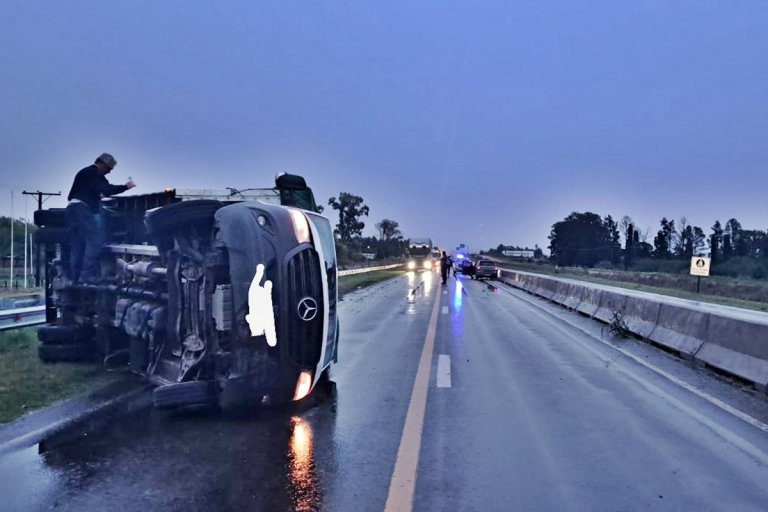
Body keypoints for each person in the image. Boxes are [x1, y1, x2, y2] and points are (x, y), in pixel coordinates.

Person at [66, 153, 135, 282]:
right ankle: (87, 275)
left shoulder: (85, 173)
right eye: (108, 169)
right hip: (82, 208)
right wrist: (126, 187)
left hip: (72, 208)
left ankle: (76, 277)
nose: (108, 172)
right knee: (95, 240)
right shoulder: (94, 173)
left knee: (78, 244)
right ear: (101, 163)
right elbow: (107, 189)